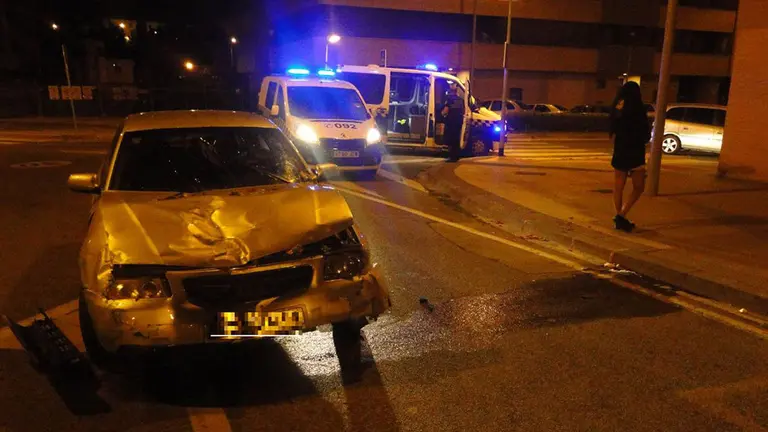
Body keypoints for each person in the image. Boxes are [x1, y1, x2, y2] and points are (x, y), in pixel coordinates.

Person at [609, 81, 650, 232]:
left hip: (620, 151)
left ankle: (619, 215)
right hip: (635, 152)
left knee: (618, 186)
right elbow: (645, 133)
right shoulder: (638, 108)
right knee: (638, 187)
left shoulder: (617, 108)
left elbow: (613, 129)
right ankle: (622, 215)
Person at [441, 82, 465, 162]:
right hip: (458, 122)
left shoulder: (449, 100)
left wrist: (441, 114)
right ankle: (456, 156)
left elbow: (445, 111)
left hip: (451, 122)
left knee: (451, 140)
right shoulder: (461, 100)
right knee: (456, 140)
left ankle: (452, 157)